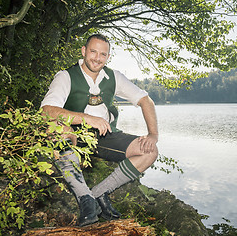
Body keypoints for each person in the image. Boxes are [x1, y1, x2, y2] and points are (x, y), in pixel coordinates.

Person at [41, 34, 158, 227]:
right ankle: (85, 198)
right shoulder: (66, 76)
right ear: (84, 51)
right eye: (93, 51)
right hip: (75, 136)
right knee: (58, 131)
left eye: (103, 54)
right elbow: (47, 110)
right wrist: (86, 118)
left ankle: (98, 193)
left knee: (150, 151)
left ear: (108, 56)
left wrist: (153, 134)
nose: (97, 58)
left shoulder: (113, 77)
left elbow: (146, 100)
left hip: (105, 136)